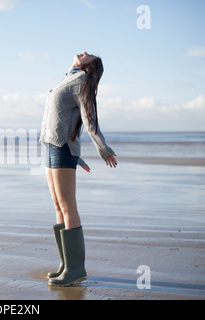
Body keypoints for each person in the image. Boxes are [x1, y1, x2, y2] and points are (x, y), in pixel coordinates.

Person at [39, 52, 118, 287]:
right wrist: (78, 157)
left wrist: (102, 147)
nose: (83, 52)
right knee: (57, 205)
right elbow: (60, 118)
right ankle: (66, 265)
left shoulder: (82, 81)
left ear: (90, 66)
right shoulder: (66, 80)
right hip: (51, 146)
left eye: (89, 55)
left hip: (62, 146)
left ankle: (76, 269)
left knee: (67, 205)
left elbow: (88, 117)